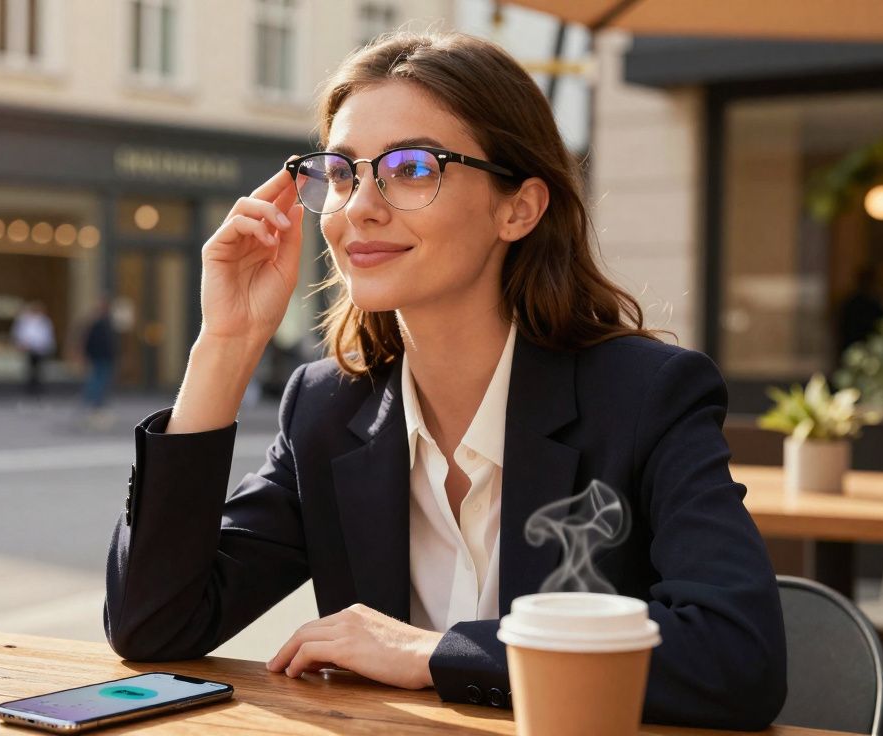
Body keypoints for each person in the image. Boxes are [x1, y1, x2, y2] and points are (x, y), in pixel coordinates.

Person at [104, 32, 786, 731]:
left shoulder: (645, 396)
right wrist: (225, 346)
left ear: (518, 208)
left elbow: (738, 657)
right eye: (342, 172)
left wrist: (436, 654)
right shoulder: (327, 409)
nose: (359, 207)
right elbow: (155, 626)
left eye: (409, 168)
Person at [11, 301, 55, 396]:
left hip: (40, 348)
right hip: (29, 348)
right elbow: (20, 333)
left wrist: (47, 345)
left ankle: (38, 388)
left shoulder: (44, 320)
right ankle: (30, 388)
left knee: (39, 369)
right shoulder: (25, 320)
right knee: (30, 368)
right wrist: (22, 343)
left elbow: (47, 335)